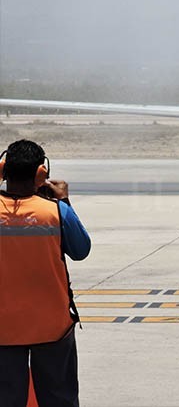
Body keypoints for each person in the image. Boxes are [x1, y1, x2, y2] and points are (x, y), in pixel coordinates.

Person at [0, 139, 91, 407]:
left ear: (3, 170)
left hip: (3, 328)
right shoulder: (56, 212)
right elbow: (81, 250)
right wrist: (66, 202)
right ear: (42, 174)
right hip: (51, 327)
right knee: (59, 398)